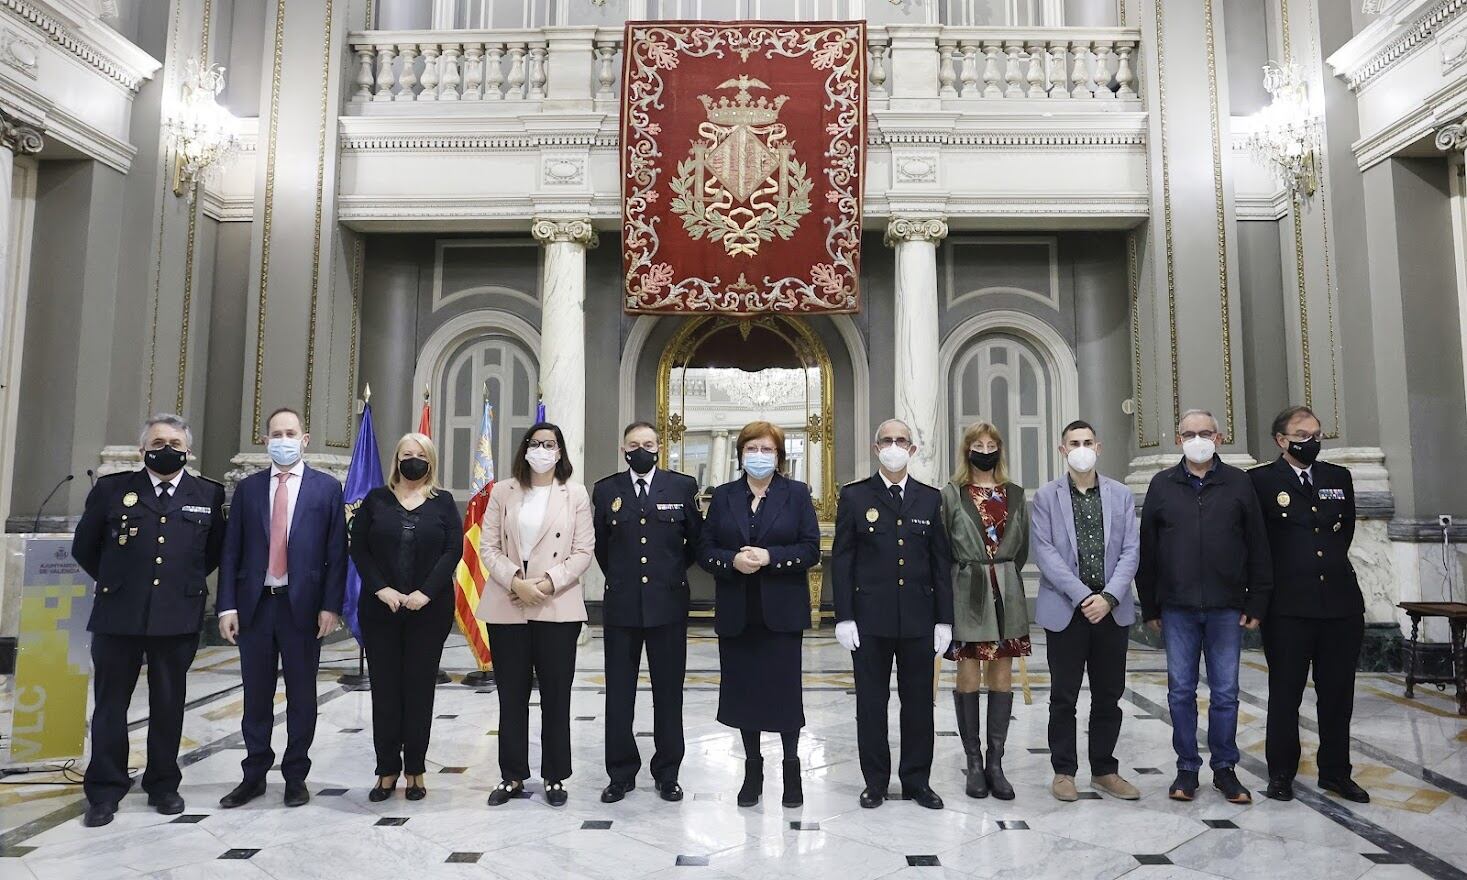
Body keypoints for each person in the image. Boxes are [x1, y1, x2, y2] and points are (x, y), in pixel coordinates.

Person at [72, 414, 226, 827]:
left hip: (177, 614)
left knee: (169, 703)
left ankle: (163, 783)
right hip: (118, 614)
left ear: (188, 450)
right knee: (110, 705)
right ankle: (105, 789)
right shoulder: (112, 490)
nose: (167, 449)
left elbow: (212, 553)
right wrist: (119, 583)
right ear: (142, 450)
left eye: (176, 442)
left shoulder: (207, 494)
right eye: (158, 442)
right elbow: (85, 548)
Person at [1138, 408, 1270, 805]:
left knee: (1226, 692)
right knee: (1180, 691)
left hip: (1226, 606)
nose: (1198, 439)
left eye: (1205, 432)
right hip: (1176, 608)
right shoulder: (1161, 485)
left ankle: (1226, 769)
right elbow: (1148, 552)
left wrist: (1257, 600)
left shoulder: (1239, 483)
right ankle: (1187, 768)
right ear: (1178, 439)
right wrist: (1150, 607)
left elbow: (1258, 545)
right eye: (1190, 433)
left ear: (1220, 437)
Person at [217, 407, 347, 809]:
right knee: (256, 696)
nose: (283, 440)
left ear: (304, 440)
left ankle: (295, 775)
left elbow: (336, 553)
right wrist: (225, 607)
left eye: (291, 433)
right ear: (266, 440)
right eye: (276, 433)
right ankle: (254, 774)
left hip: (302, 610)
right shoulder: (250, 489)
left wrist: (330, 606)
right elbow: (232, 550)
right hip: (255, 608)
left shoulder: (326, 489)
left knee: (302, 696)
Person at [1250, 406, 1369, 803]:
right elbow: (1257, 546)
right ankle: (1281, 773)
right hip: (1288, 607)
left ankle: (1336, 772)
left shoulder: (1339, 477)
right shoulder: (1261, 482)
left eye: (1316, 434)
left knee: (1338, 694)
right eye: (1302, 434)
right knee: (1285, 695)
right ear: (1282, 440)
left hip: (1340, 604)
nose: (1312, 441)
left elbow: (1343, 532)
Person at [831, 419, 953, 810]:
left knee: (919, 705)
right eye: (887, 440)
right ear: (875, 447)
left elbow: (940, 563)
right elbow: (843, 560)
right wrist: (843, 616)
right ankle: (876, 782)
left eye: (902, 440)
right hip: (869, 621)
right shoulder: (854, 497)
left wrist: (944, 620)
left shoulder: (931, 499)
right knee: (871, 705)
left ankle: (917, 781)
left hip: (919, 620)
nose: (895, 446)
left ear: (912, 450)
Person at [699, 421, 821, 809]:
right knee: (744, 695)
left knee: (784, 696)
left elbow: (810, 549)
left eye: (767, 449)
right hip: (738, 612)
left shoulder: (796, 494)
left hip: (782, 613)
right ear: (740, 454)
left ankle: (791, 767)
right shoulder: (724, 496)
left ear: (779, 456)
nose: (759, 456)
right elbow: (705, 549)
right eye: (752, 449)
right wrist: (731, 560)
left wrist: (771, 558)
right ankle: (752, 768)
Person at [478, 422, 594, 807]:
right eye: (536, 443)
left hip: (556, 604)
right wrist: (516, 583)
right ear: (525, 448)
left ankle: (555, 775)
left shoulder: (574, 494)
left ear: (560, 452)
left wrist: (545, 583)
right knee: (510, 696)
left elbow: (582, 551)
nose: (542, 449)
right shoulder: (502, 492)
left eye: (550, 444)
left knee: (556, 696)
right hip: (508, 603)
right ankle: (512, 775)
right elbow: (489, 546)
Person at [1031, 420, 1141, 802]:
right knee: (1064, 695)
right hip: (1067, 608)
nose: (1081, 448)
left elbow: (1131, 550)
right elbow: (1045, 553)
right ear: (1063, 451)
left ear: (1099, 447)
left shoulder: (1121, 494)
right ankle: (1064, 771)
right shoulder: (1046, 497)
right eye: (1074, 443)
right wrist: (1083, 597)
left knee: (1109, 693)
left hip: (1111, 609)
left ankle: (1105, 770)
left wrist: (1108, 597)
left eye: (1087, 442)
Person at [593, 421, 702, 804]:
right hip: (622, 605)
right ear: (624, 449)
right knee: (619, 695)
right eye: (634, 444)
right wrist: (624, 579)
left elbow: (694, 542)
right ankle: (620, 773)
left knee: (669, 693)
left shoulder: (681, 486)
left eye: (649, 443)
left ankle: (667, 771)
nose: (642, 449)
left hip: (668, 603)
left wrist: (667, 575)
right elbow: (602, 548)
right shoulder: (607, 490)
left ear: (660, 447)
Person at [347, 433, 461, 802]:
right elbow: (359, 547)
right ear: (396, 459)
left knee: (418, 689)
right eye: (406, 454)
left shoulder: (442, 503)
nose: (413, 460)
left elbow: (452, 550)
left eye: (420, 455)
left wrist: (424, 593)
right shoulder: (376, 501)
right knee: (385, 690)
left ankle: (415, 769)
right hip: (381, 610)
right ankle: (386, 769)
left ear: (431, 460)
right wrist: (382, 589)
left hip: (429, 611)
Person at [941, 422, 1029, 801]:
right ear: (967, 450)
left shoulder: (1016, 493)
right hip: (967, 590)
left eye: (992, 444)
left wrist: (1003, 574)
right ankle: (974, 762)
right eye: (978, 444)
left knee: (1002, 676)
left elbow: (1021, 547)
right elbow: (943, 545)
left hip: (1006, 591)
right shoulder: (952, 495)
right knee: (967, 675)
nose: (985, 449)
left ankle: (996, 762)